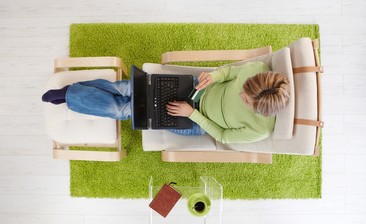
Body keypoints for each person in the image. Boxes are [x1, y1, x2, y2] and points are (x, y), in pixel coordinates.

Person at [42, 61, 290, 144]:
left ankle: (70, 95)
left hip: (195, 120)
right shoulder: (257, 71)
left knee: (126, 109)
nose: (239, 97)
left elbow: (224, 136)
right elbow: (227, 73)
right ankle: (71, 92)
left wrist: (191, 113)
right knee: (129, 87)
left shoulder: (260, 130)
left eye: (245, 101)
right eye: (244, 91)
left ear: (260, 110)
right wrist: (212, 77)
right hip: (196, 87)